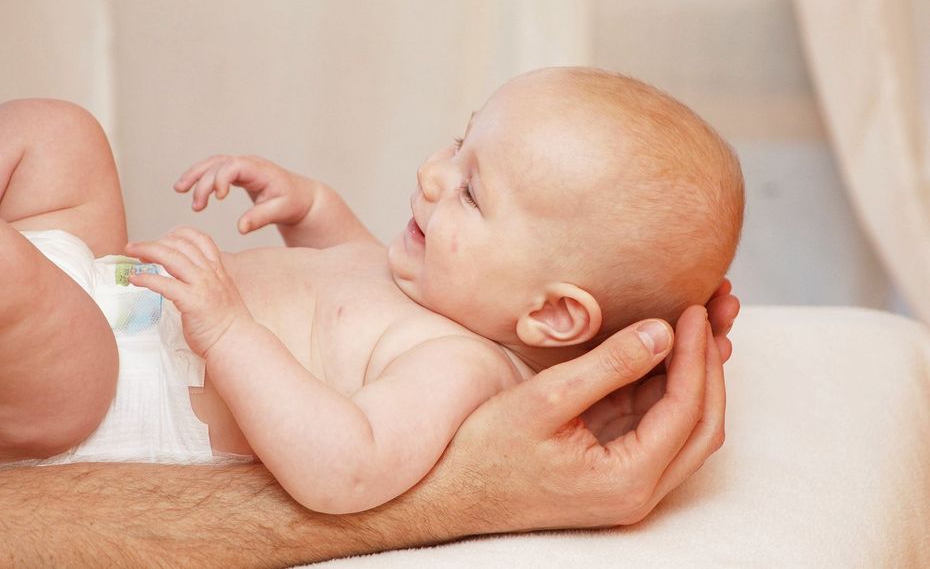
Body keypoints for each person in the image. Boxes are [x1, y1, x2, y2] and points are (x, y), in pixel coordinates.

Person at [0, 89, 738, 564]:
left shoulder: (459, 366)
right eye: (459, 141)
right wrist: (309, 205)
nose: (431, 174)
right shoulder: (433, 285)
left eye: (472, 191)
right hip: (102, 292)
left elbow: (343, 467)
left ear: (551, 312)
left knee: (16, 281)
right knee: (62, 135)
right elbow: (348, 276)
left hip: (108, 396)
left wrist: (229, 330)